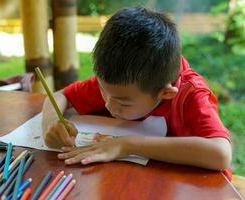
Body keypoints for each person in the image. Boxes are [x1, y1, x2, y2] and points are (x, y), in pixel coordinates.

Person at [41, 6, 232, 179]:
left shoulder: (190, 94)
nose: (108, 104)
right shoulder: (119, 83)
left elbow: (220, 154)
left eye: (123, 103)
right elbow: (60, 95)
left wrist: (126, 145)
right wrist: (51, 124)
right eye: (102, 91)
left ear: (165, 93)